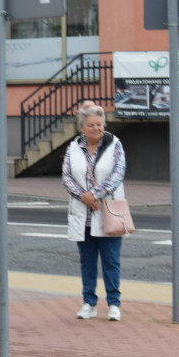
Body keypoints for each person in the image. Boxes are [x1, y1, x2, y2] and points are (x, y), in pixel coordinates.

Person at [62, 103, 127, 322]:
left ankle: (114, 304)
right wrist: (84, 196)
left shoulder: (114, 145)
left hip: (108, 212)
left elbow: (118, 173)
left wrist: (95, 194)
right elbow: (67, 176)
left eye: (99, 124)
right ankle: (89, 302)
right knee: (87, 261)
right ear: (82, 127)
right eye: (91, 125)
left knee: (111, 261)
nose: (96, 128)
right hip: (84, 215)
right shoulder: (73, 148)